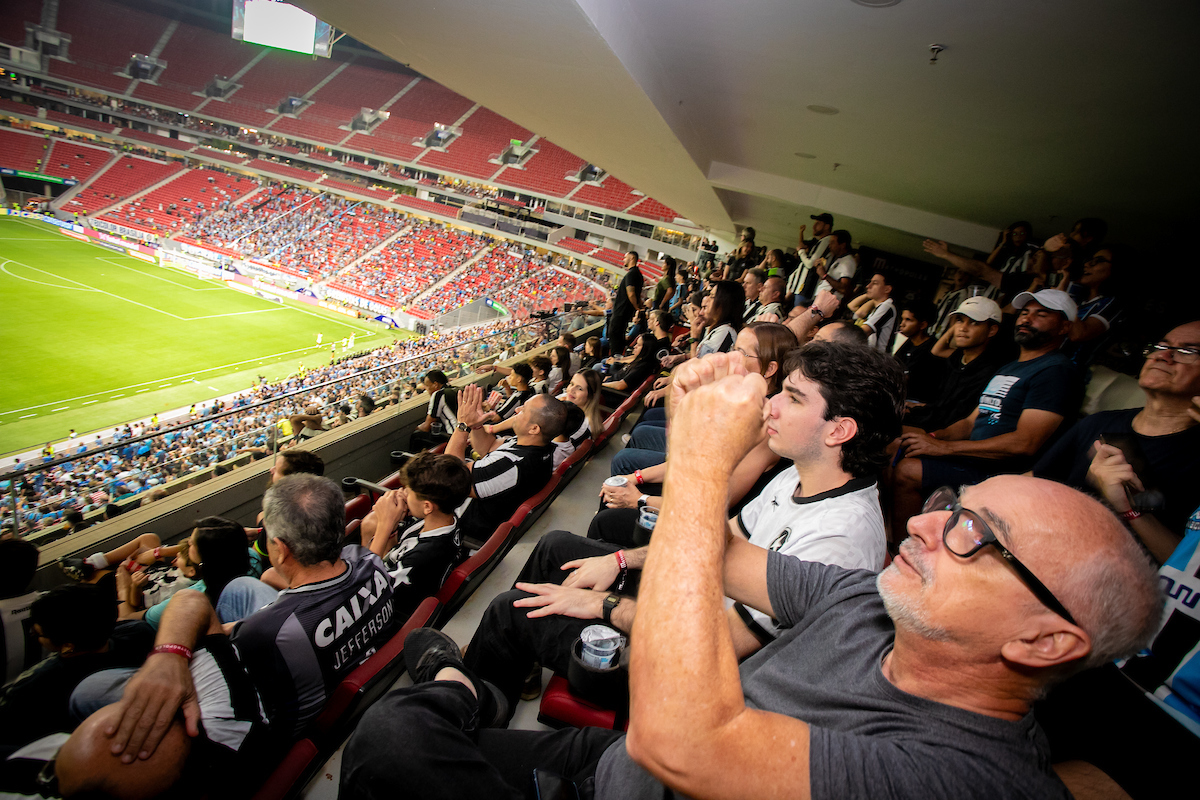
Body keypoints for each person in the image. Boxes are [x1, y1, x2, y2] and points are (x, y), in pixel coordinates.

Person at [338, 370, 1161, 800]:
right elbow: (718, 552)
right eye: (948, 504)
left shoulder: (966, 779)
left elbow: (688, 745)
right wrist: (728, 455)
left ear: (1043, 641)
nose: (921, 523)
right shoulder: (864, 601)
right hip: (619, 760)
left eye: (972, 534)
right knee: (397, 730)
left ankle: (455, 687)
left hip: (652, 757)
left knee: (388, 740)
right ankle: (457, 690)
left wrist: (699, 460)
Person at [458, 344, 906, 709]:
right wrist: (620, 559)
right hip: (693, 604)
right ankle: (513, 666)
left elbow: (713, 647)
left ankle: (471, 710)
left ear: (839, 430)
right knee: (555, 545)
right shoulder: (798, 472)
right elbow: (713, 543)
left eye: (792, 396)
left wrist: (605, 606)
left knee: (508, 610)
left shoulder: (837, 539)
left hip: (691, 669)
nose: (770, 404)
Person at [82, 474, 400, 743]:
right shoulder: (372, 564)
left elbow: (245, 634)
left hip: (272, 724)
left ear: (280, 549)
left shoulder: (267, 634)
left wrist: (172, 650)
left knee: (86, 692)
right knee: (238, 587)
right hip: (330, 673)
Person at [891, 290, 1080, 535]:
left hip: (1002, 471)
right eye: (1025, 313)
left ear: (1064, 327)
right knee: (895, 443)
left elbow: (1026, 443)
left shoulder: (1055, 372)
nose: (1026, 319)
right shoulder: (1011, 368)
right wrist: (934, 439)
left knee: (908, 470)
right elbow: (969, 423)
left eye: (1040, 314)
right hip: (973, 457)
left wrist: (946, 448)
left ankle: (903, 547)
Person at [1033, 320, 1200, 547]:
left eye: (1188, 351)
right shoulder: (1099, 423)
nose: (1163, 356)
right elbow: (1036, 479)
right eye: (1161, 347)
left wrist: (1131, 510)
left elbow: (1188, 572)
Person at [0, 585, 154, 753]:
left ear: (68, 646)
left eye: (37, 634)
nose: (33, 636)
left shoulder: (32, 687)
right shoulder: (139, 633)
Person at [447, 385, 566, 543]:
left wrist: (462, 426)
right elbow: (487, 447)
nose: (517, 410)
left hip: (463, 528)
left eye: (524, 410)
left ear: (534, 428)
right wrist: (476, 425)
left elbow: (448, 476)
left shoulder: (513, 465)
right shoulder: (538, 448)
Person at [364, 453, 473, 616]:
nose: (403, 493)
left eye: (409, 492)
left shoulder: (423, 556)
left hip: (385, 609)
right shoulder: (445, 519)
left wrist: (383, 527)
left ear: (427, 507)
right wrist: (392, 525)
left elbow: (361, 588)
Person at [905, 296, 1007, 432]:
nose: (963, 328)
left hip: (940, 433)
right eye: (960, 321)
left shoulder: (989, 371)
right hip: (928, 419)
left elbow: (956, 420)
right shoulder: (959, 357)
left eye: (974, 322)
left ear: (992, 330)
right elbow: (937, 350)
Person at [892, 299, 943, 402]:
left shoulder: (931, 349)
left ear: (923, 325)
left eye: (908, 320)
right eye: (902, 319)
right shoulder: (908, 343)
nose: (902, 324)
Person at [786, 212, 834, 304]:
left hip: (807, 289)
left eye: (818, 223)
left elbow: (810, 264)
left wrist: (801, 251)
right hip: (802, 289)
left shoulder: (826, 241)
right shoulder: (821, 241)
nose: (814, 226)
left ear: (827, 226)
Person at [410, 369, 458, 451]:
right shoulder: (455, 389)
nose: (427, 390)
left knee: (416, 436)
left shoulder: (438, 395)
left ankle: (415, 462)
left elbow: (427, 427)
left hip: (453, 437)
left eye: (427, 386)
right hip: (466, 432)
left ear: (435, 385)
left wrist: (416, 428)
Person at [607, 251, 643, 357]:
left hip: (621, 313)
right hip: (624, 314)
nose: (623, 259)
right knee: (618, 339)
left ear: (632, 258)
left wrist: (637, 308)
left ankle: (615, 363)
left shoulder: (631, 274)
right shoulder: (638, 274)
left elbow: (631, 294)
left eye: (625, 257)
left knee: (615, 339)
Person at [859, 271, 897, 352]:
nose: (868, 286)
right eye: (870, 283)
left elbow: (865, 330)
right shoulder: (879, 307)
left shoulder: (887, 306)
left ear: (887, 289)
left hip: (878, 359)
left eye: (875, 283)